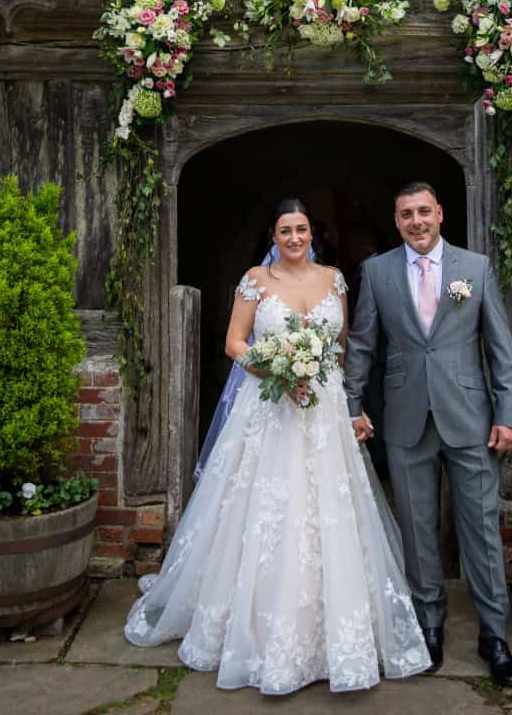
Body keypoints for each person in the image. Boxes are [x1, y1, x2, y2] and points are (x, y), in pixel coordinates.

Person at [124, 198, 431, 694]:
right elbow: (234, 343)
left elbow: (343, 344)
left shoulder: (335, 279)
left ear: (314, 233)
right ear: (273, 235)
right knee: (268, 511)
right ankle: (257, 631)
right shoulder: (256, 280)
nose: (294, 237)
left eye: (302, 229)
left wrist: (351, 403)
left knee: (330, 512)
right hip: (272, 409)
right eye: (286, 230)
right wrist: (279, 370)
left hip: (325, 408)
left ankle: (336, 634)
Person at [344, 182, 512, 687]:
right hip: (405, 418)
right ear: (396, 221)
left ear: (440, 213)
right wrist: (350, 404)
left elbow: (500, 348)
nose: (416, 221)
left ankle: (494, 636)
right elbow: (361, 344)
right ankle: (429, 625)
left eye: (424, 211)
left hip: (469, 416)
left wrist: (507, 414)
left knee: (481, 530)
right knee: (417, 530)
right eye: (406, 214)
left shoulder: (475, 268)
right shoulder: (376, 272)